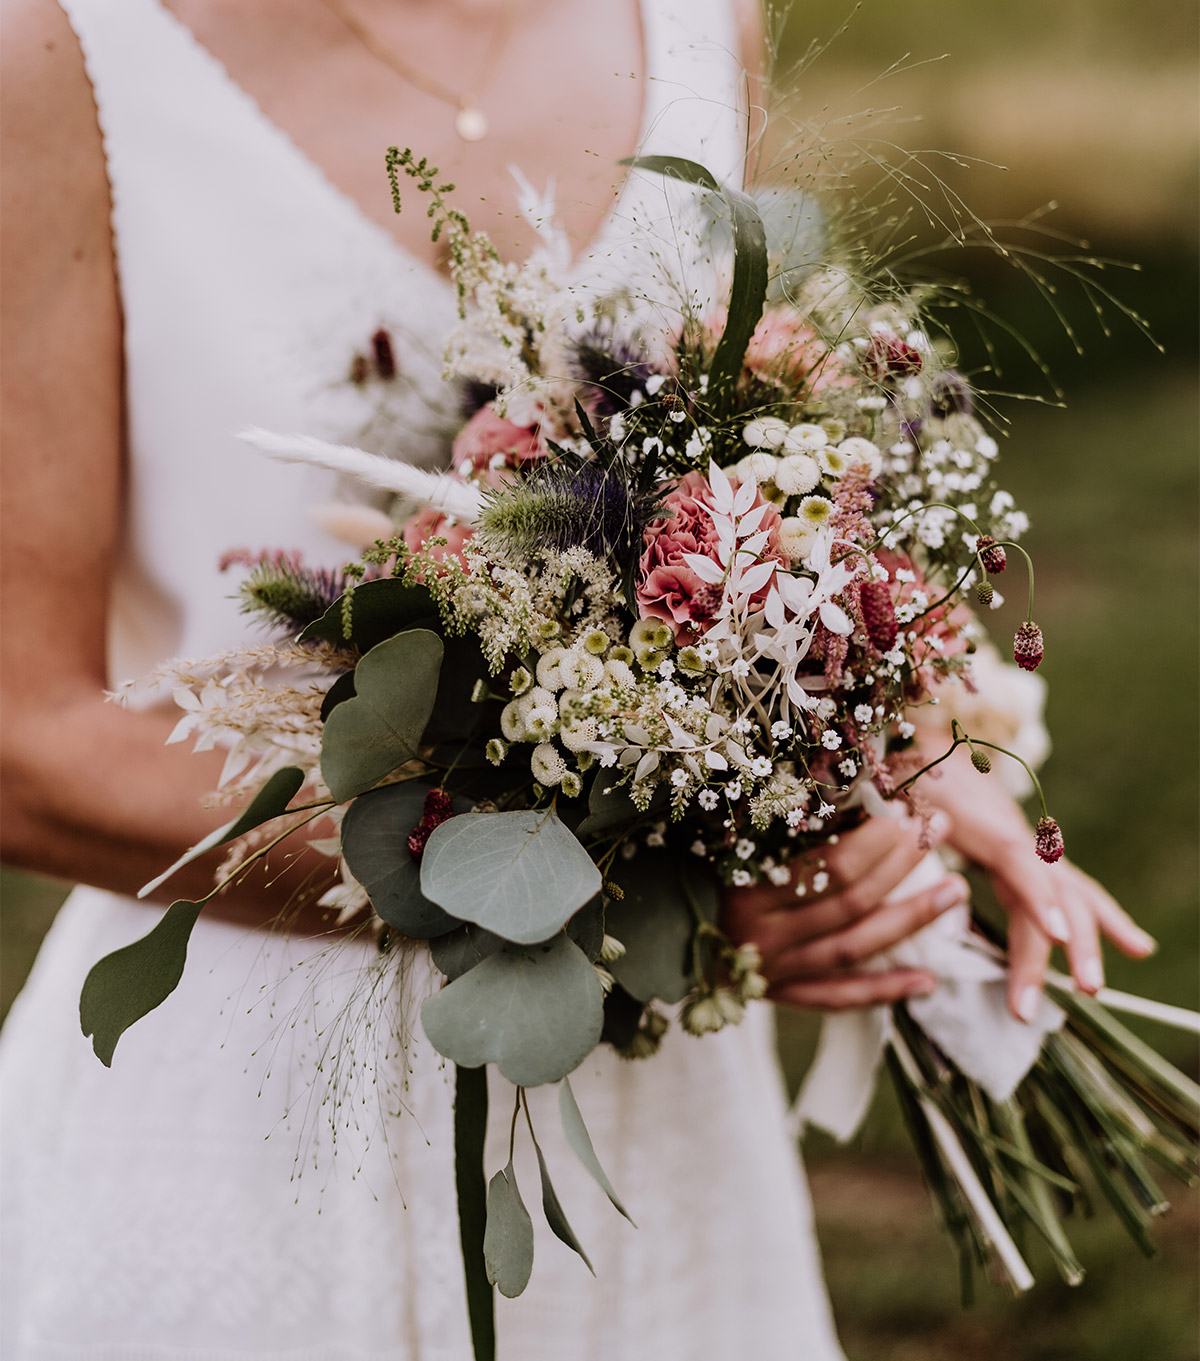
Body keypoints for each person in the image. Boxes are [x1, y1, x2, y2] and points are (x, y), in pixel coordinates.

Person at [0, 1, 1154, 1356]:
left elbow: (772, 459)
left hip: (651, 1127)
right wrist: (629, 881)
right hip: (244, 1110)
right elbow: (26, 743)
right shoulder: (59, 53)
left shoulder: (699, 19)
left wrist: (904, 751)